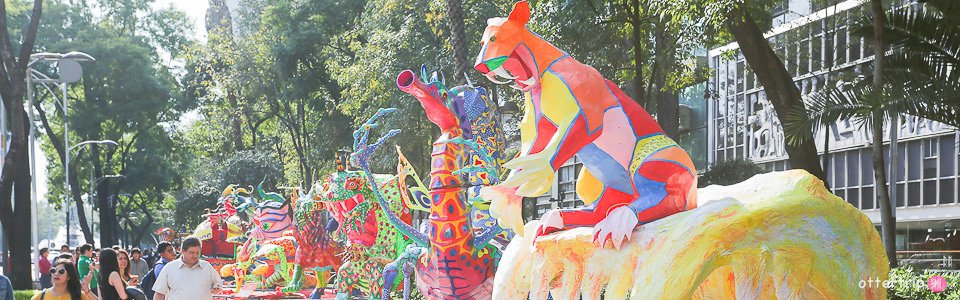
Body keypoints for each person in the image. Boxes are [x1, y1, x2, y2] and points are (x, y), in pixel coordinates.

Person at [153, 237, 221, 300]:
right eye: (191, 252)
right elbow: (159, 293)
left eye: (197, 253)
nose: (195, 256)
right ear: (183, 251)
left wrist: (217, 288)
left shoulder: (207, 267)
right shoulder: (169, 268)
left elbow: (218, 284)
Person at [31, 259, 97, 300]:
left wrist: (87, 291)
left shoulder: (79, 296)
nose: (56, 274)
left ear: (69, 276)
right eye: (53, 270)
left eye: (61, 271)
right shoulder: (40, 296)